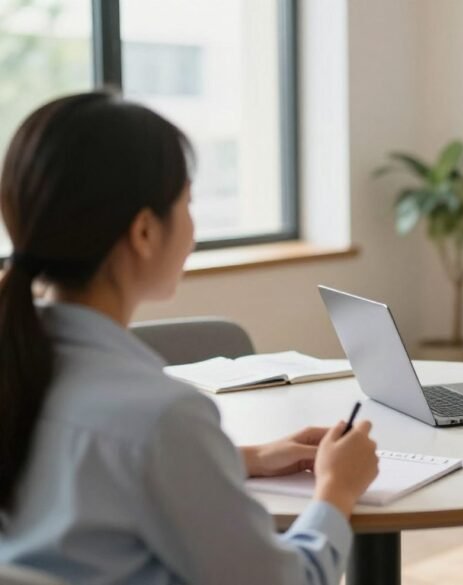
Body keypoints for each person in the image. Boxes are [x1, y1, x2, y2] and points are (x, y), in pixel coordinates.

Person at [0, 92, 379, 584]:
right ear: (143, 232)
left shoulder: (22, 371)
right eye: (188, 203)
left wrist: (250, 459)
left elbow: (93, 483)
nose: (194, 230)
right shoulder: (159, 416)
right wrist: (336, 492)